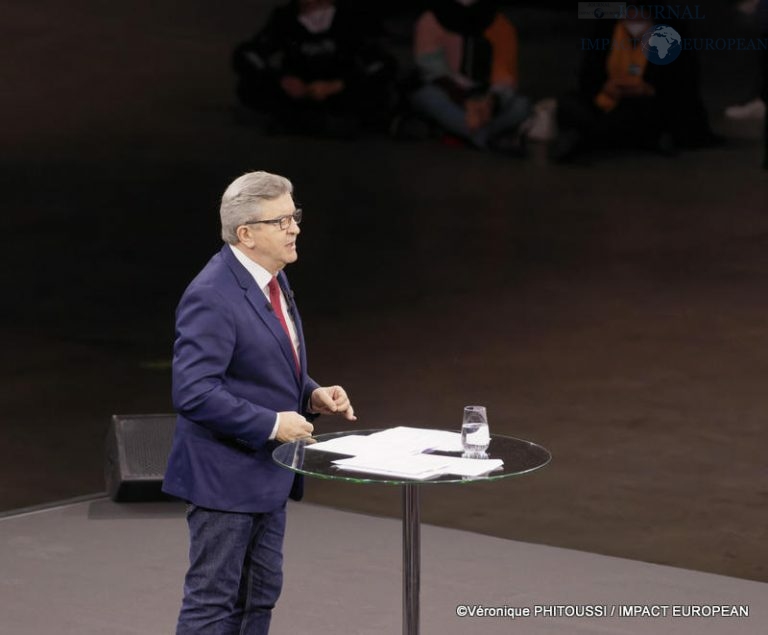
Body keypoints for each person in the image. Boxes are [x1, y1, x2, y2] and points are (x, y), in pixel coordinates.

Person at [162, 170, 357, 634]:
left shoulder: (271, 277)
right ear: (246, 233)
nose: (295, 228)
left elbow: (266, 359)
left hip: (266, 474)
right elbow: (194, 391)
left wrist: (310, 392)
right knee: (214, 603)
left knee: (258, 597)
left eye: (295, 216)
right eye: (282, 220)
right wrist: (273, 424)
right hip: (225, 478)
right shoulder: (212, 295)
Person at [551, 12, 719, 162]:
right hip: (609, 103)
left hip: (649, 104)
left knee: (642, 113)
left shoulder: (671, 28)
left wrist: (648, 90)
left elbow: (683, 84)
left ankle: (589, 140)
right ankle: (629, 139)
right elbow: (588, 76)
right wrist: (604, 88)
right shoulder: (607, 25)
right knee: (569, 103)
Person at [232, 0, 396, 136]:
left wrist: (338, 85)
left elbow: (382, 63)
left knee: (376, 90)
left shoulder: (352, 16)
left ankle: (332, 122)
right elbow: (248, 54)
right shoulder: (285, 16)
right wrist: (281, 79)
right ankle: (303, 120)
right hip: (297, 89)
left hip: (339, 89)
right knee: (250, 86)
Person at [408, 0, 531, 154]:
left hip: (484, 96)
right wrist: (464, 100)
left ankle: (466, 132)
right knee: (427, 97)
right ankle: (484, 136)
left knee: (521, 106)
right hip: (448, 93)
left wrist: (492, 102)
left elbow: (504, 76)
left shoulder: (500, 25)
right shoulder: (431, 21)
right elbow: (432, 71)